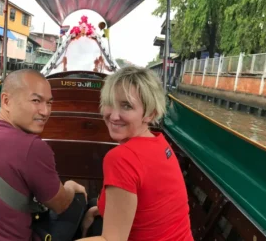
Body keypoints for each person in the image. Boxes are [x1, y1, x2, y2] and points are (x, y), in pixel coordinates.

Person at [0, 69, 87, 240]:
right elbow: (62, 205)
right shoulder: (32, 147)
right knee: (78, 200)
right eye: (36, 100)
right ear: (6, 101)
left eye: (49, 103)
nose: (45, 111)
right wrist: (70, 187)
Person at [79, 66, 193, 241]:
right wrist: (98, 210)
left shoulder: (121, 158)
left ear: (150, 114)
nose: (114, 115)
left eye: (126, 106)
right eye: (110, 103)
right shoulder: (160, 143)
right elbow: (146, 206)